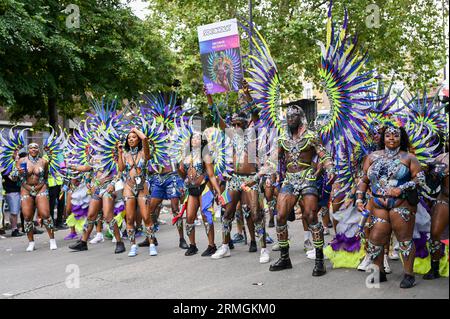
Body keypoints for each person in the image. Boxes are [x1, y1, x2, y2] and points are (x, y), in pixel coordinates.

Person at [207, 83, 270, 264]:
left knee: (256, 213)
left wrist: (247, 94)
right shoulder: (231, 135)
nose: (235, 127)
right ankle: (225, 246)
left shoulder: (253, 133)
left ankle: (263, 249)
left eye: (238, 124)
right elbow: (215, 114)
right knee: (228, 213)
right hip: (234, 179)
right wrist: (209, 97)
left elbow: (256, 113)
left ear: (245, 124)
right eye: (233, 124)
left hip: (251, 179)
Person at [269, 104, 335, 276]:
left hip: (308, 177)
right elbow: (273, 159)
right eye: (288, 116)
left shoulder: (311, 136)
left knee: (311, 216)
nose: (290, 119)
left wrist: (330, 168)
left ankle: (319, 260)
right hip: (290, 179)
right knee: (281, 215)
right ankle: (285, 258)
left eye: (293, 116)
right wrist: (270, 173)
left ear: (300, 118)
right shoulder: (282, 138)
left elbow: (323, 155)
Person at [356, 124, 424, 288]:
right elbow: (364, 179)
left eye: (395, 135)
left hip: (401, 205)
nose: (392, 138)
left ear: (401, 138)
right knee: (375, 240)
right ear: (383, 138)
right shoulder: (372, 157)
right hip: (377, 205)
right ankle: (379, 272)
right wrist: (359, 199)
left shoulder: (409, 158)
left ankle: (409, 275)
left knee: (404, 240)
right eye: (388, 135)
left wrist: (401, 188)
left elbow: (420, 179)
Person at [177, 127, 225, 256]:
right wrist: (182, 175)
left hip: (204, 188)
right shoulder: (185, 154)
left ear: (202, 141)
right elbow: (182, 171)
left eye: (198, 138)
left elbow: (211, 175)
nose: (195, 140)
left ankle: (212, 245)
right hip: (191, 189)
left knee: (206, 216)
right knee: (190, 217)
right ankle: (192, 245)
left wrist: (219, 193)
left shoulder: (206, 154)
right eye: (193, 137)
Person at [68, 157, 125, 254]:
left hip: (108, 188)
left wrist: (112, 184)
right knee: (91, 216)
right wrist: (73, 167)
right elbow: (87, 168)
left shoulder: (111, 154)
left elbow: (120, 170)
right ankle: (83, 242)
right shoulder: (94, 155)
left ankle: (119, 243)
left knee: (108, 216)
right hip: (97, 188)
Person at [12, 143, 56, 251]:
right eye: (31, 147)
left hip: (41, 188)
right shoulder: (21, 161)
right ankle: (31, 242)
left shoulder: (44, 161)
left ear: (38, 149)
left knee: (45, 214)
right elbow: (13, 177)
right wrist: (18, 173)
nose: (33, 149)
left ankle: (52, 240)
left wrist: (43, 187)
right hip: (26, 189)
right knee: (27, 216)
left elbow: (45, 176)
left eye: (36, 147)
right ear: (28, 149)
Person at [117, 127, 150, 257]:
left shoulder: (144, 153)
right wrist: (119, 153)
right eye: (129, 137)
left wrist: (135, 129)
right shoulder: (125, 154)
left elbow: (145, 138)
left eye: (134, 137)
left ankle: (152, 244)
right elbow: (120, 168)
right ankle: (133, 246)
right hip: (129, 187)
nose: (131, 139)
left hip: (142, 186)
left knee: (146, 217)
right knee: (129, 218)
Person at [423, 151, 449, 279]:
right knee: (435, 233)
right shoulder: (441, 158)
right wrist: (430, 174)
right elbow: (432, 186)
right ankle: (434, 268)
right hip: (444, 198)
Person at [2, 173, 23, 237]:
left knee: (15, 211)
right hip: (11, 191)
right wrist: (21, 174)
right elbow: (13, 178)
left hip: (17, 190)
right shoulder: (6, 165)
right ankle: (14, 230)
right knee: (14, 212)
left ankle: (15, 229)